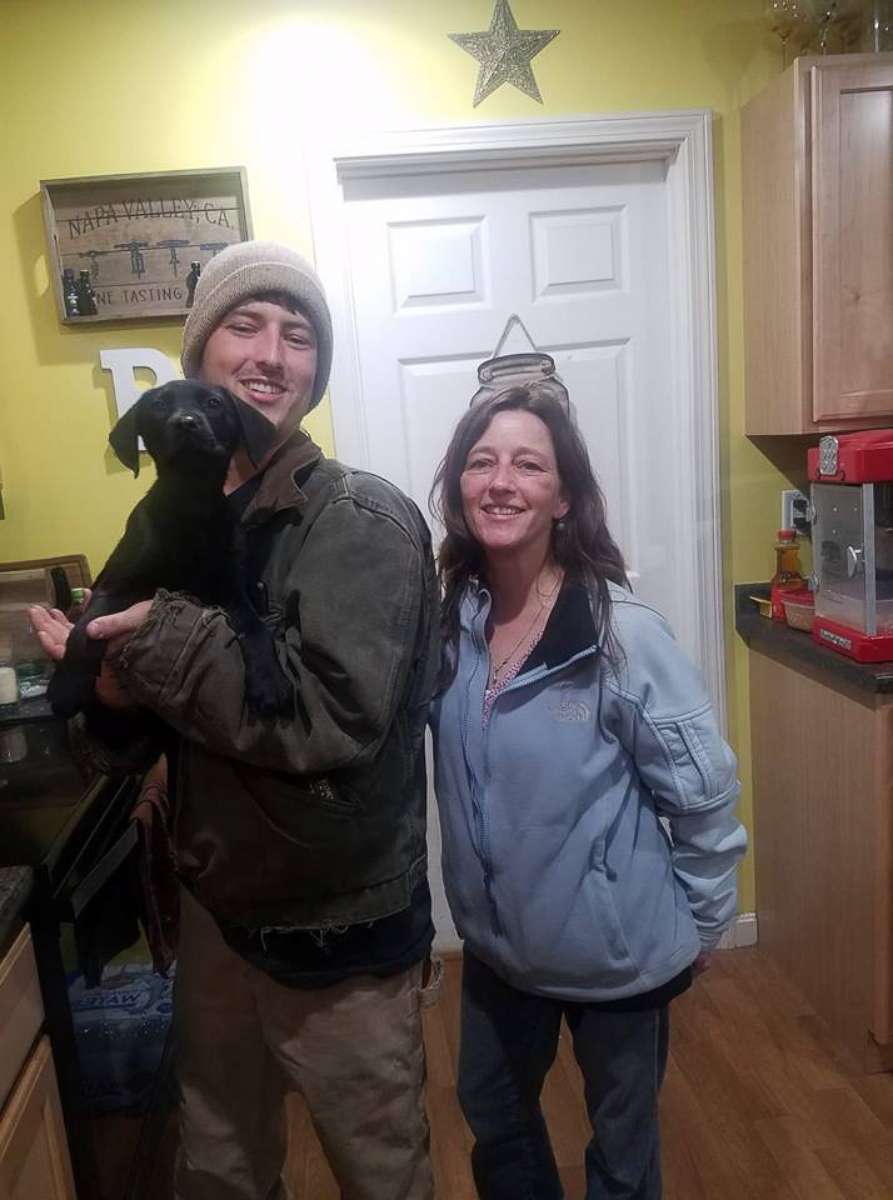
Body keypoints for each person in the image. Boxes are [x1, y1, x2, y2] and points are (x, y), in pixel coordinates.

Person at [31, 241, 441, 1200]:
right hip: (215, 914)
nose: (270, 353)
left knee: (379, 1174)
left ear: (315, 374)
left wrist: (146, 652)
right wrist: (103, 690)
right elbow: (129, 739)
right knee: (218, 1166)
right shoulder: (175, 520)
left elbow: (327, 720)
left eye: (298, 337)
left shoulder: (358, 522)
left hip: (336, 931)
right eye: (243, 325)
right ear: (196, 357)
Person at [428, 353, 747, 1200]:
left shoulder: (621, 634)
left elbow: (703, 796)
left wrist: (704, 924)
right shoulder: (446, 622)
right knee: (491, 1112)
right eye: (480, 461)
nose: (500, 482)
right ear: (458, 483)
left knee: (621, 1146)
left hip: (618, 958)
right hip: (496, 949)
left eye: (528, 464)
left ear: (563, 497)